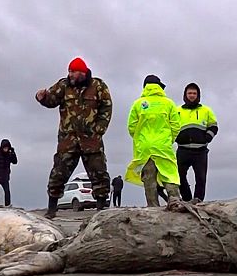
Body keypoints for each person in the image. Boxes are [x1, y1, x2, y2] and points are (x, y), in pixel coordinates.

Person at [36, 57, 112, 219]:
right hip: (68, 139)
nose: (70, 74)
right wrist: (42, 97)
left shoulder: (98, 86)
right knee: (59, 172)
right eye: (69, 71)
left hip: (91, 139)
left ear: (82, 72)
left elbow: (106, 107)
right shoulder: (63, 85)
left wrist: (99, 129)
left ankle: (100, 208)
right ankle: (51, 209)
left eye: (73, 71)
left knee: (98, 172)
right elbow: (51, 100)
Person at [125, 75, 182, 208]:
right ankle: (174, 200)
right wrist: (168, 139)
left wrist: (140, 140)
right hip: (163, 145)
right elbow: (176, 126)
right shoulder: (169, 103)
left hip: (145, 147)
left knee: (149, 178)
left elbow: (131, 127)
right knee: (169, 174)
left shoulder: (138, 104)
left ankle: (153, 207)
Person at [175, 82, 218, 203]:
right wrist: (176, 138)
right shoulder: (177, 110)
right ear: (185, 95)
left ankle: (198, 200)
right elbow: (170, 127)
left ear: (198, 95)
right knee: (179, 176)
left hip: (200, 151)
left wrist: (207, 138)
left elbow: (214, 126)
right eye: (189, 93)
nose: (192, 95)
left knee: (200, 178)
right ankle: (187, 198)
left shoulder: (206, 110)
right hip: (183, 150)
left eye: (194, 93)